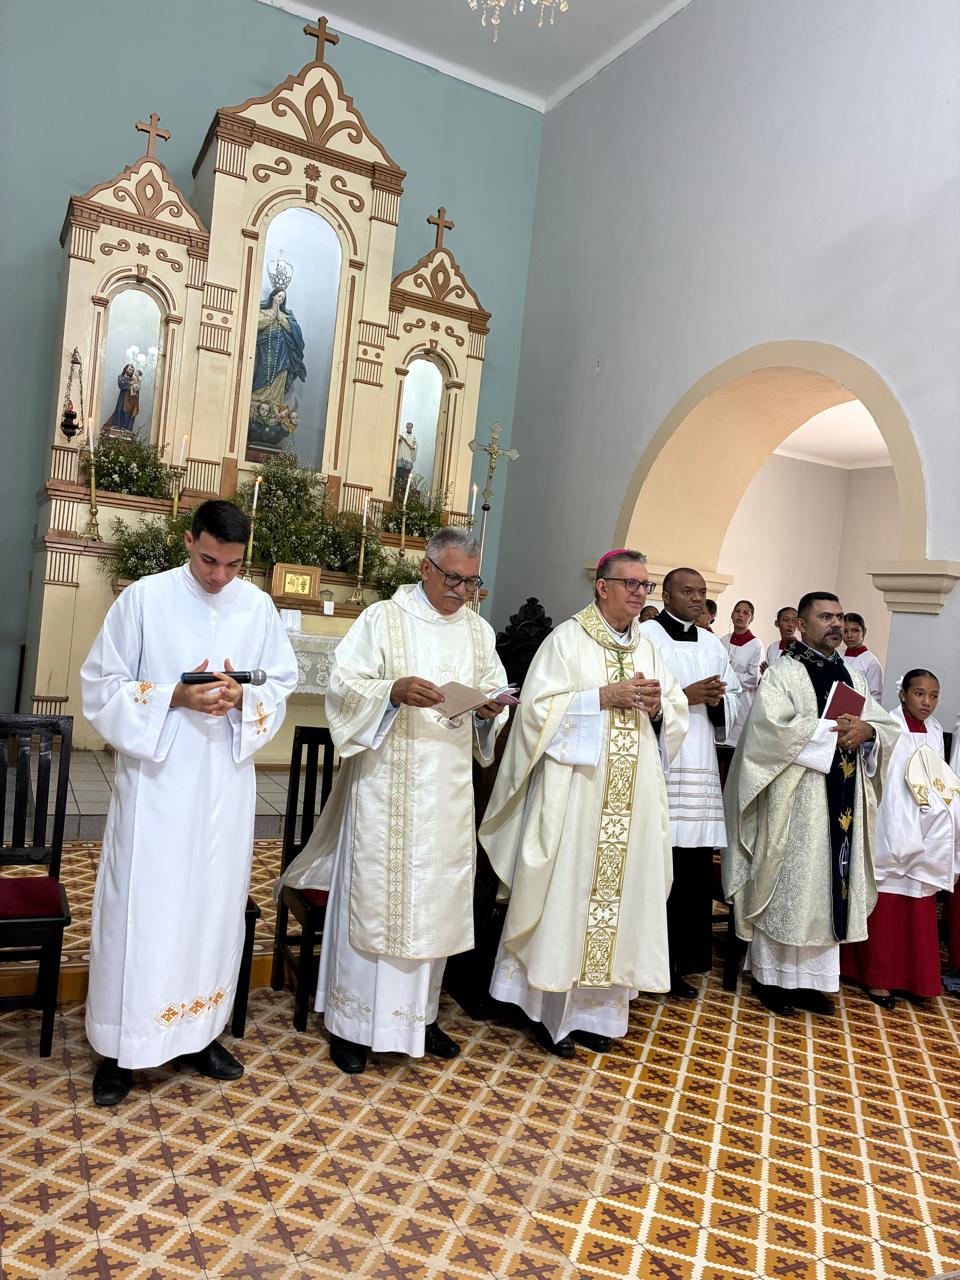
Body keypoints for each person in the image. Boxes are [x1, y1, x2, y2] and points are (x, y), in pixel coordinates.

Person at [81, 501, 298, 1106]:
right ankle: (121, 1047)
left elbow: (279, 684)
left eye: (233, 565)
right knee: (143, 909)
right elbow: (100, 687)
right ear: (188, 541)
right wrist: (174, 696)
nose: (219, 576)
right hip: (156, 785)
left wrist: (242, 698)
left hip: (223, 787)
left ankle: (199, 1034)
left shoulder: (256, 607)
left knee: (211, 906)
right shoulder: (144, 600)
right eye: (208, 561)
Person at [277, 527, 508, 1075]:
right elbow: (343, 685)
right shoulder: (382, 618)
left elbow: (493, 691)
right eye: (453, 578)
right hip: (385, 786)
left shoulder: (478, 632)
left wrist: (488, 711)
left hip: (447, 790)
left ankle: (419, 1018)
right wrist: (392, 691)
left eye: (471, 582)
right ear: (426, 567)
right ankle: (353, 1025)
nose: (461, 590)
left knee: (435, 903)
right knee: (376, 900)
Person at [480, 550, 688, 1058]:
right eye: (631, 583)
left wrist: (660, 708)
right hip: (576, 796)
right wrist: (600, 697)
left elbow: (675, 707)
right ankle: (551, 1012)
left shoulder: (648, 647)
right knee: (569, 895)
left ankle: (597, 1014)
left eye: (645, 585)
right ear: (602, 586)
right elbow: (535, 713)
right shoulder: (567, 640)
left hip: (632, 800)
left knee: (621, 900)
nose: (639, 593)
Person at [722, 592, 900, 1016]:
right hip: (796, 799)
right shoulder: (784, 672)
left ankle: (810, 982)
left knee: (826, 887)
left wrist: (869, 733)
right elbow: (768, 732)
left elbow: (883, 723)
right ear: (801, 625)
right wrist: (832, 732)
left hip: (842, 800)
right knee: (791, 883)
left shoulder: (852, 675)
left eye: (839, 616)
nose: (835, 624)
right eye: (825, 617)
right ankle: (771, 978)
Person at [641, 569, 741, 998]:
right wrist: (686, 696)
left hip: (699, 764)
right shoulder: (646, 637)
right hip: (660, 763)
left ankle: (680, 964)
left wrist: (719, 702)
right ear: (666, 596)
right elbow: (641, 697)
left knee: (692, 869)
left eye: (702, 592)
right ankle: (647, 962)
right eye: (688, 591)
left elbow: (735, 697)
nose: (698, 598)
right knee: (656, 865)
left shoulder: (712, 644)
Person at [841, 670, 960, 1007]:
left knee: (918, 898)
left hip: (924, 823)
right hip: (891, 819)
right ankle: (877, 978)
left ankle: (914, 978)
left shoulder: (935, 730)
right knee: (887, 897)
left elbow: (938, 776)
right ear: (903, 695)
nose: (927, 702)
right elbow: (876, 770)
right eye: (919, 693)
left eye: (934, 695)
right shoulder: (888, 724)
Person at [248, 285, 306, 447]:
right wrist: (272, 316)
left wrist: (282, 320)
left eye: (283, 297)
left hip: (282, 354)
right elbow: (256, 324)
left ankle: (274, 404)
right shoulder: (264, 312)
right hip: (265, 349)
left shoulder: (287, 316)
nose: (280, 299)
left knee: (280, 375)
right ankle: (258, 401)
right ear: (273, 296)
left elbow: (296, 333)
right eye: (278, 296)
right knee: (263, 371)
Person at [720, 600, 763, 747]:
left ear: (751, 619)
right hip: (721, 698)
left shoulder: (756, 645)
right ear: (732, 615)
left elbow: (753, 678)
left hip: (743, 701)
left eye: (746, 613)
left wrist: (727, 679)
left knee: (734, 745)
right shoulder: (723, 640)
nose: (740, 615)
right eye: (737, 611)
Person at [843, 612, 883, 699]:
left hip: (859, 706)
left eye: (855, 630)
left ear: (864, 631)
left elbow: (875, 696)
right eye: (845, 631)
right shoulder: (837, 656)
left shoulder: (871, 662)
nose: (849, 636)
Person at [104, 363, 141, 432]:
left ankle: (125, 429)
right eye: (129, 369)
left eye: (132, 370)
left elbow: (136, 389)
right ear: (126, 369)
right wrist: (131, 383)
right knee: (119, 411)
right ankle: (117, 427)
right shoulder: (121, 377)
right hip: (123, 398)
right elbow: (121, 385)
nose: (131, 371)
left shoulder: (133, 379)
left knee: (128, 414)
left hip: (130, 400)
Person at [763, 606, 799, 672]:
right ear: (777, 623)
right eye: (786, 620)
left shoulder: (802, 651)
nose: (790, 624)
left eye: (794, 621)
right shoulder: (772, 647)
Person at [394, 421, 418, 492]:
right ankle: (397, 488)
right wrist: (400, 439)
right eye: (407, 427)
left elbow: (415, 446)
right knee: (399, 474)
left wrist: (414, 447)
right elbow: (398, 442)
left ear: (412, 428)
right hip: (401, 457)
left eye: (410, 427)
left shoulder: (413, 437)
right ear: (406, 427)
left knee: (406, 476)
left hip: (408, 458)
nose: (409, 429)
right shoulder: (402, 434)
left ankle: (404, 489)